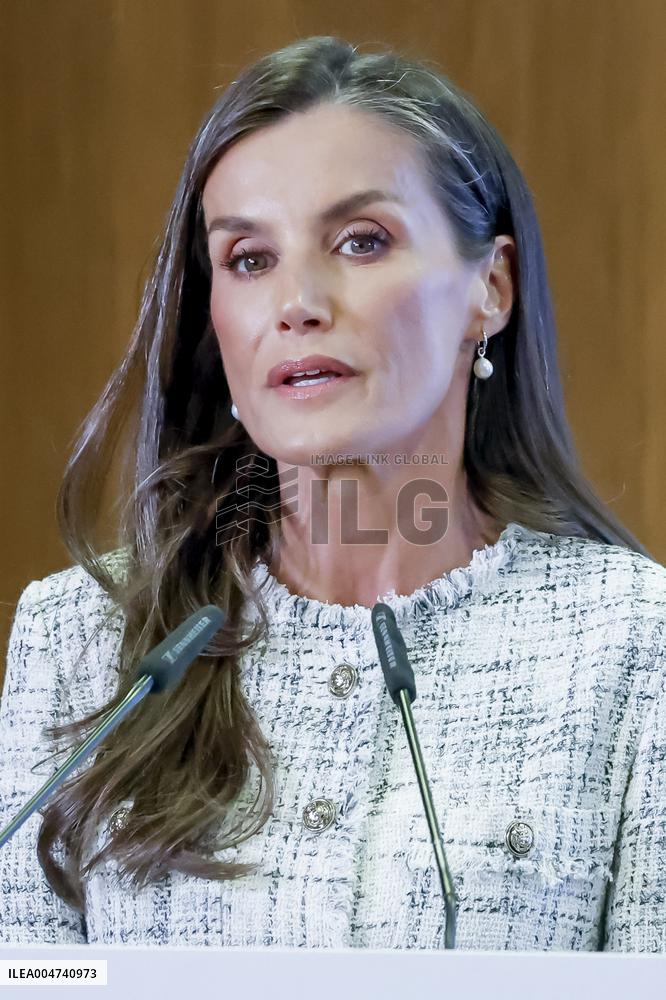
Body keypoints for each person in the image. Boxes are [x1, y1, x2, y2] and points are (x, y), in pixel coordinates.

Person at [1, 34, 664, 952]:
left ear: (492, 288)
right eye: (247, 259)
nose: (298, 301)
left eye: (362, 241)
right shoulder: (80, 643)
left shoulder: (634, 647)